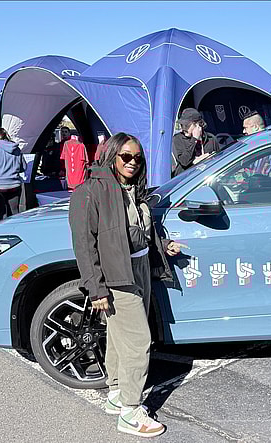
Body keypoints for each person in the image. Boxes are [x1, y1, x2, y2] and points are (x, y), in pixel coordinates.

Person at [69, 132, 183, 438]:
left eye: (138, 158)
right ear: (112, 156)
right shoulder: (90, 192)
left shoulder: (132, 188)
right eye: (126, 157)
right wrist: (96, 289)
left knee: (121, 337)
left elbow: (138, 230)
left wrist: (163, 244)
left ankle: (117, 393)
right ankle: (131, 412)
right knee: (137, 342)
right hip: (117, 274)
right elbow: (84, 245)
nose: (133, 163)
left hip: (141, 266)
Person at [0, 126, 26, 219]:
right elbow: (23, 167)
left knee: (0, 214)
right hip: (15, 185)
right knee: (15, 212)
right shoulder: (16, 148)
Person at [171, 108, 219, 177]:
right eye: (182, 125)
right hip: (187, 180)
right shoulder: (178, 139)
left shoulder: (211, 139)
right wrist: (194, 139)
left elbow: (217, 160)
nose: (183, 128)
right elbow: (185, 161)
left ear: (198, 125)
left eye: (186, 125)